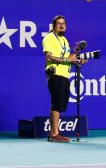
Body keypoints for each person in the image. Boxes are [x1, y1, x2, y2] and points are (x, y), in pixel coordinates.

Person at [42, 15, 87, 143]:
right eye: (59, 23)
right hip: (55, 74)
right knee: (56, 104)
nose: (62, 26)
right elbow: (49, 58)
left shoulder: (65, 40)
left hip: (64, 75)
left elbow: (69, 59)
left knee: (60, 104)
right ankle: (54, 134)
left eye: (64, 24)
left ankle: (55, 133)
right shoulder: (49, 38)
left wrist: (78, 60)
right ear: (53, 26)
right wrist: (68, 59)